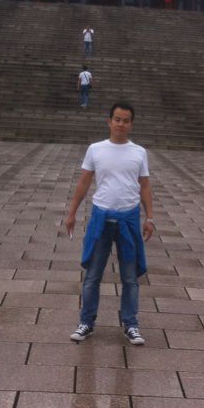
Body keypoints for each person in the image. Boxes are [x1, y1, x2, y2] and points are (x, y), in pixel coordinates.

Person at [65, 102, 155, 345]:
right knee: (93, 275)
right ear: (109, 121)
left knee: (130, 277)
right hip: (101, 218)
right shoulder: (96, 149)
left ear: (131, 124)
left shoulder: (139, 152)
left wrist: (149, 217)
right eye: (117, 119)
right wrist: (72, 213)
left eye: (125, 120)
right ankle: (86, 322)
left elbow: (145, 186)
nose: (120, 124)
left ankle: (131, 324)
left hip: (129, 219)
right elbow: (84, 182)